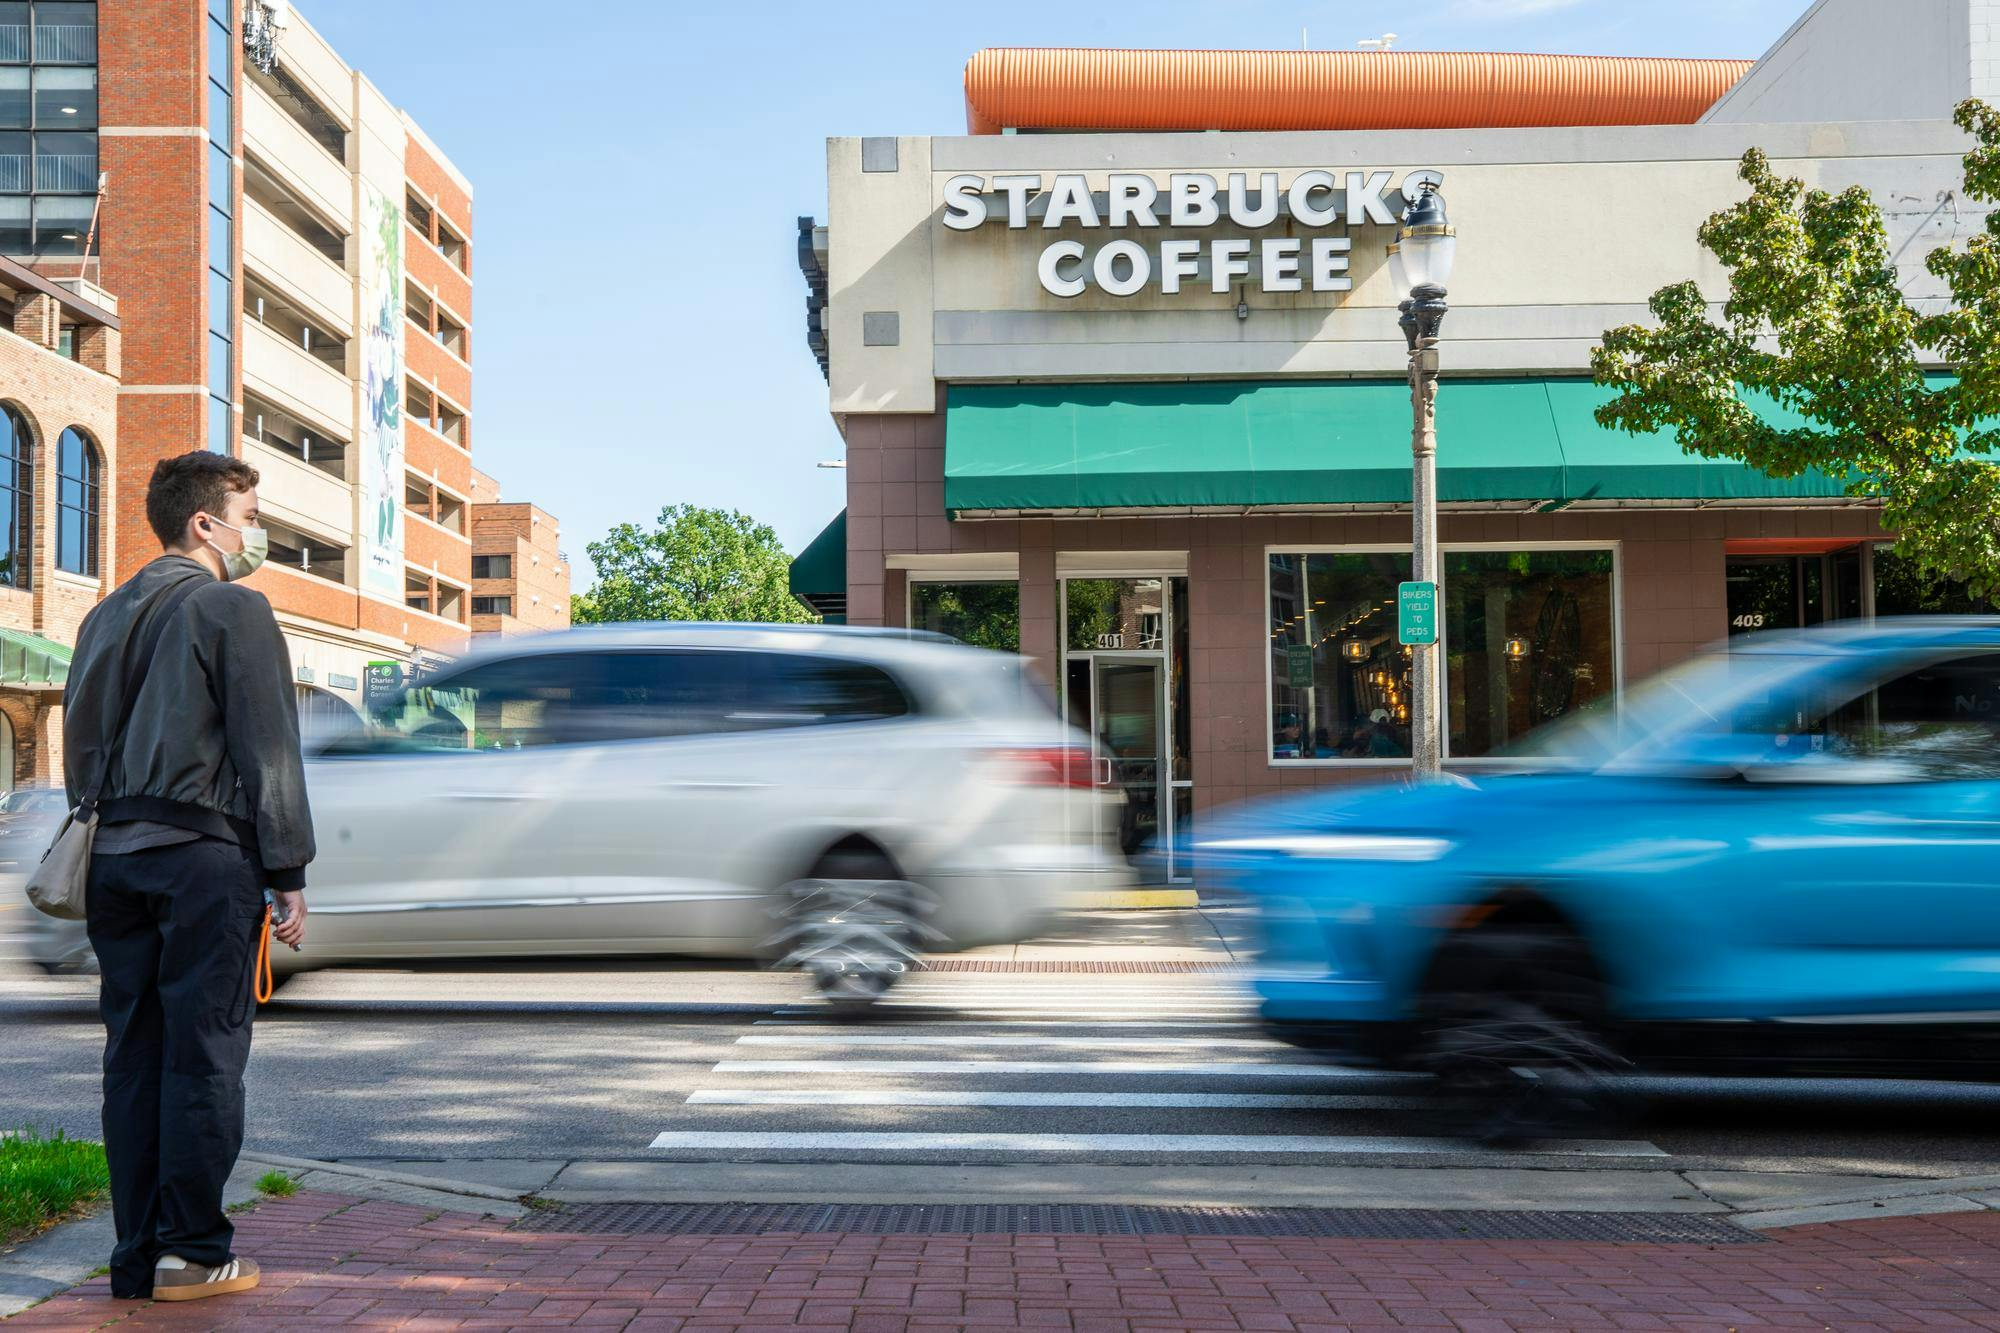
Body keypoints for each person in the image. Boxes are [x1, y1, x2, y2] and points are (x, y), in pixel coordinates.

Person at [64, 452, 314, 1303]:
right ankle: (195, 1254)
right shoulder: (234, 607)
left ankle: (135, 1257)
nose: (257, 534)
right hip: (204, 859)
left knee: (133, 1056)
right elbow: (268, 747)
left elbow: (80, 744)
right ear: (205, 524)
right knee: (204, 1055)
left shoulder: (103, 614)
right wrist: (288, 871)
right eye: (251, 517)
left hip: (113, 858)